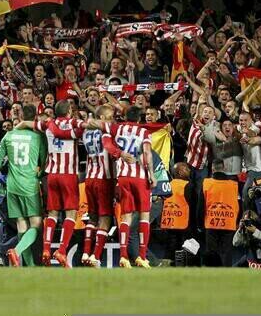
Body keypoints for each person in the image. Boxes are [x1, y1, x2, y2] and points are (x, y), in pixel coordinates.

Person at [90, 106, 162, 268]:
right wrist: (152, 174)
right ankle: (142, 256)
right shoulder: (143, 132)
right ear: (138, 119)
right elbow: (147, 153)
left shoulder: (118, 128)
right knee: (144, 216)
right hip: (139, 177)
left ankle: (123, 256)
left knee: (126, 217)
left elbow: (97, 125)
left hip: (123, 177)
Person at [16, 99, 85, 267]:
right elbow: (84, 128)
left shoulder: (48, 124)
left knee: (52, 213)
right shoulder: (73, 124)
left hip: (51, 175)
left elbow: (26, 123)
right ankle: (61, 250)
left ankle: (46, 249)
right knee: (70, 213)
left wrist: (15, 130)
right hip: (68, 175)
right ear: (69, 110)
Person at [0, 104, 46, 267]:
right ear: (35, 117)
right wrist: (38, 174)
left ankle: (29, 267)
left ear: (21, 116)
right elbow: (43, 163)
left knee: (22, 224)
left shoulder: (8, 135)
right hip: (29, 185)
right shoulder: (38, 137)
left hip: (12, 186)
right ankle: (17, 250)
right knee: (36, 224)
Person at [80, 105, 126, 267]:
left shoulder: (86, 133)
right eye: (110, 117)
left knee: (92, 217)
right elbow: (110, 150)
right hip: (104, 179)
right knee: (105, 217)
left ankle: (86, 252)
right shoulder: (106, 132)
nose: (112, 120)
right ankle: (96, 256)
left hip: (89, 177)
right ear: (103, 118)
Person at [199, 160, 240, 267]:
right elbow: (238, 204)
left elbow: (200, 206)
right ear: (224, 168)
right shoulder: (234, 185)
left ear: (212, 169)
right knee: (226, 253)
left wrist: (199, 224)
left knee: (212, 253)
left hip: (211, 223)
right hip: (229, 223)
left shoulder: (206, 183)